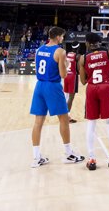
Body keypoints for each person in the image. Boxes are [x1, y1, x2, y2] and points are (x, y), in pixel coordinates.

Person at [29, 27, 84, 168]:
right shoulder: (60, 51)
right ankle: (68, 154)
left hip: (39, 85)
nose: (63, 39)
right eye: (62, 37)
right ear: (58, 37)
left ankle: (36, 157)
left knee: (38, 122)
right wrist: (65, 64)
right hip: (52, 86)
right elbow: (63, 75)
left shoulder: (39, 49)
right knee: (64, 119)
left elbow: (36, 69)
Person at [79, 33, 109, 170]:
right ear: (100, 42)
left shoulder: (83, 58)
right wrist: (106, 69)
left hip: (92, 88)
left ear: (87, 43)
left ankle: (91, 159)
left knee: (91, 123)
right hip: (105, 87)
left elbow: (82, 81)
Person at [64, 45, 80, 124]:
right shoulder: (77, 56)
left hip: (66, 75)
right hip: (73, 76)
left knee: (66, 96)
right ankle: (67, 116)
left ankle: (64, 115)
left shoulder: (67, 54)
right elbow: (79, 69)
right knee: (71, 97)